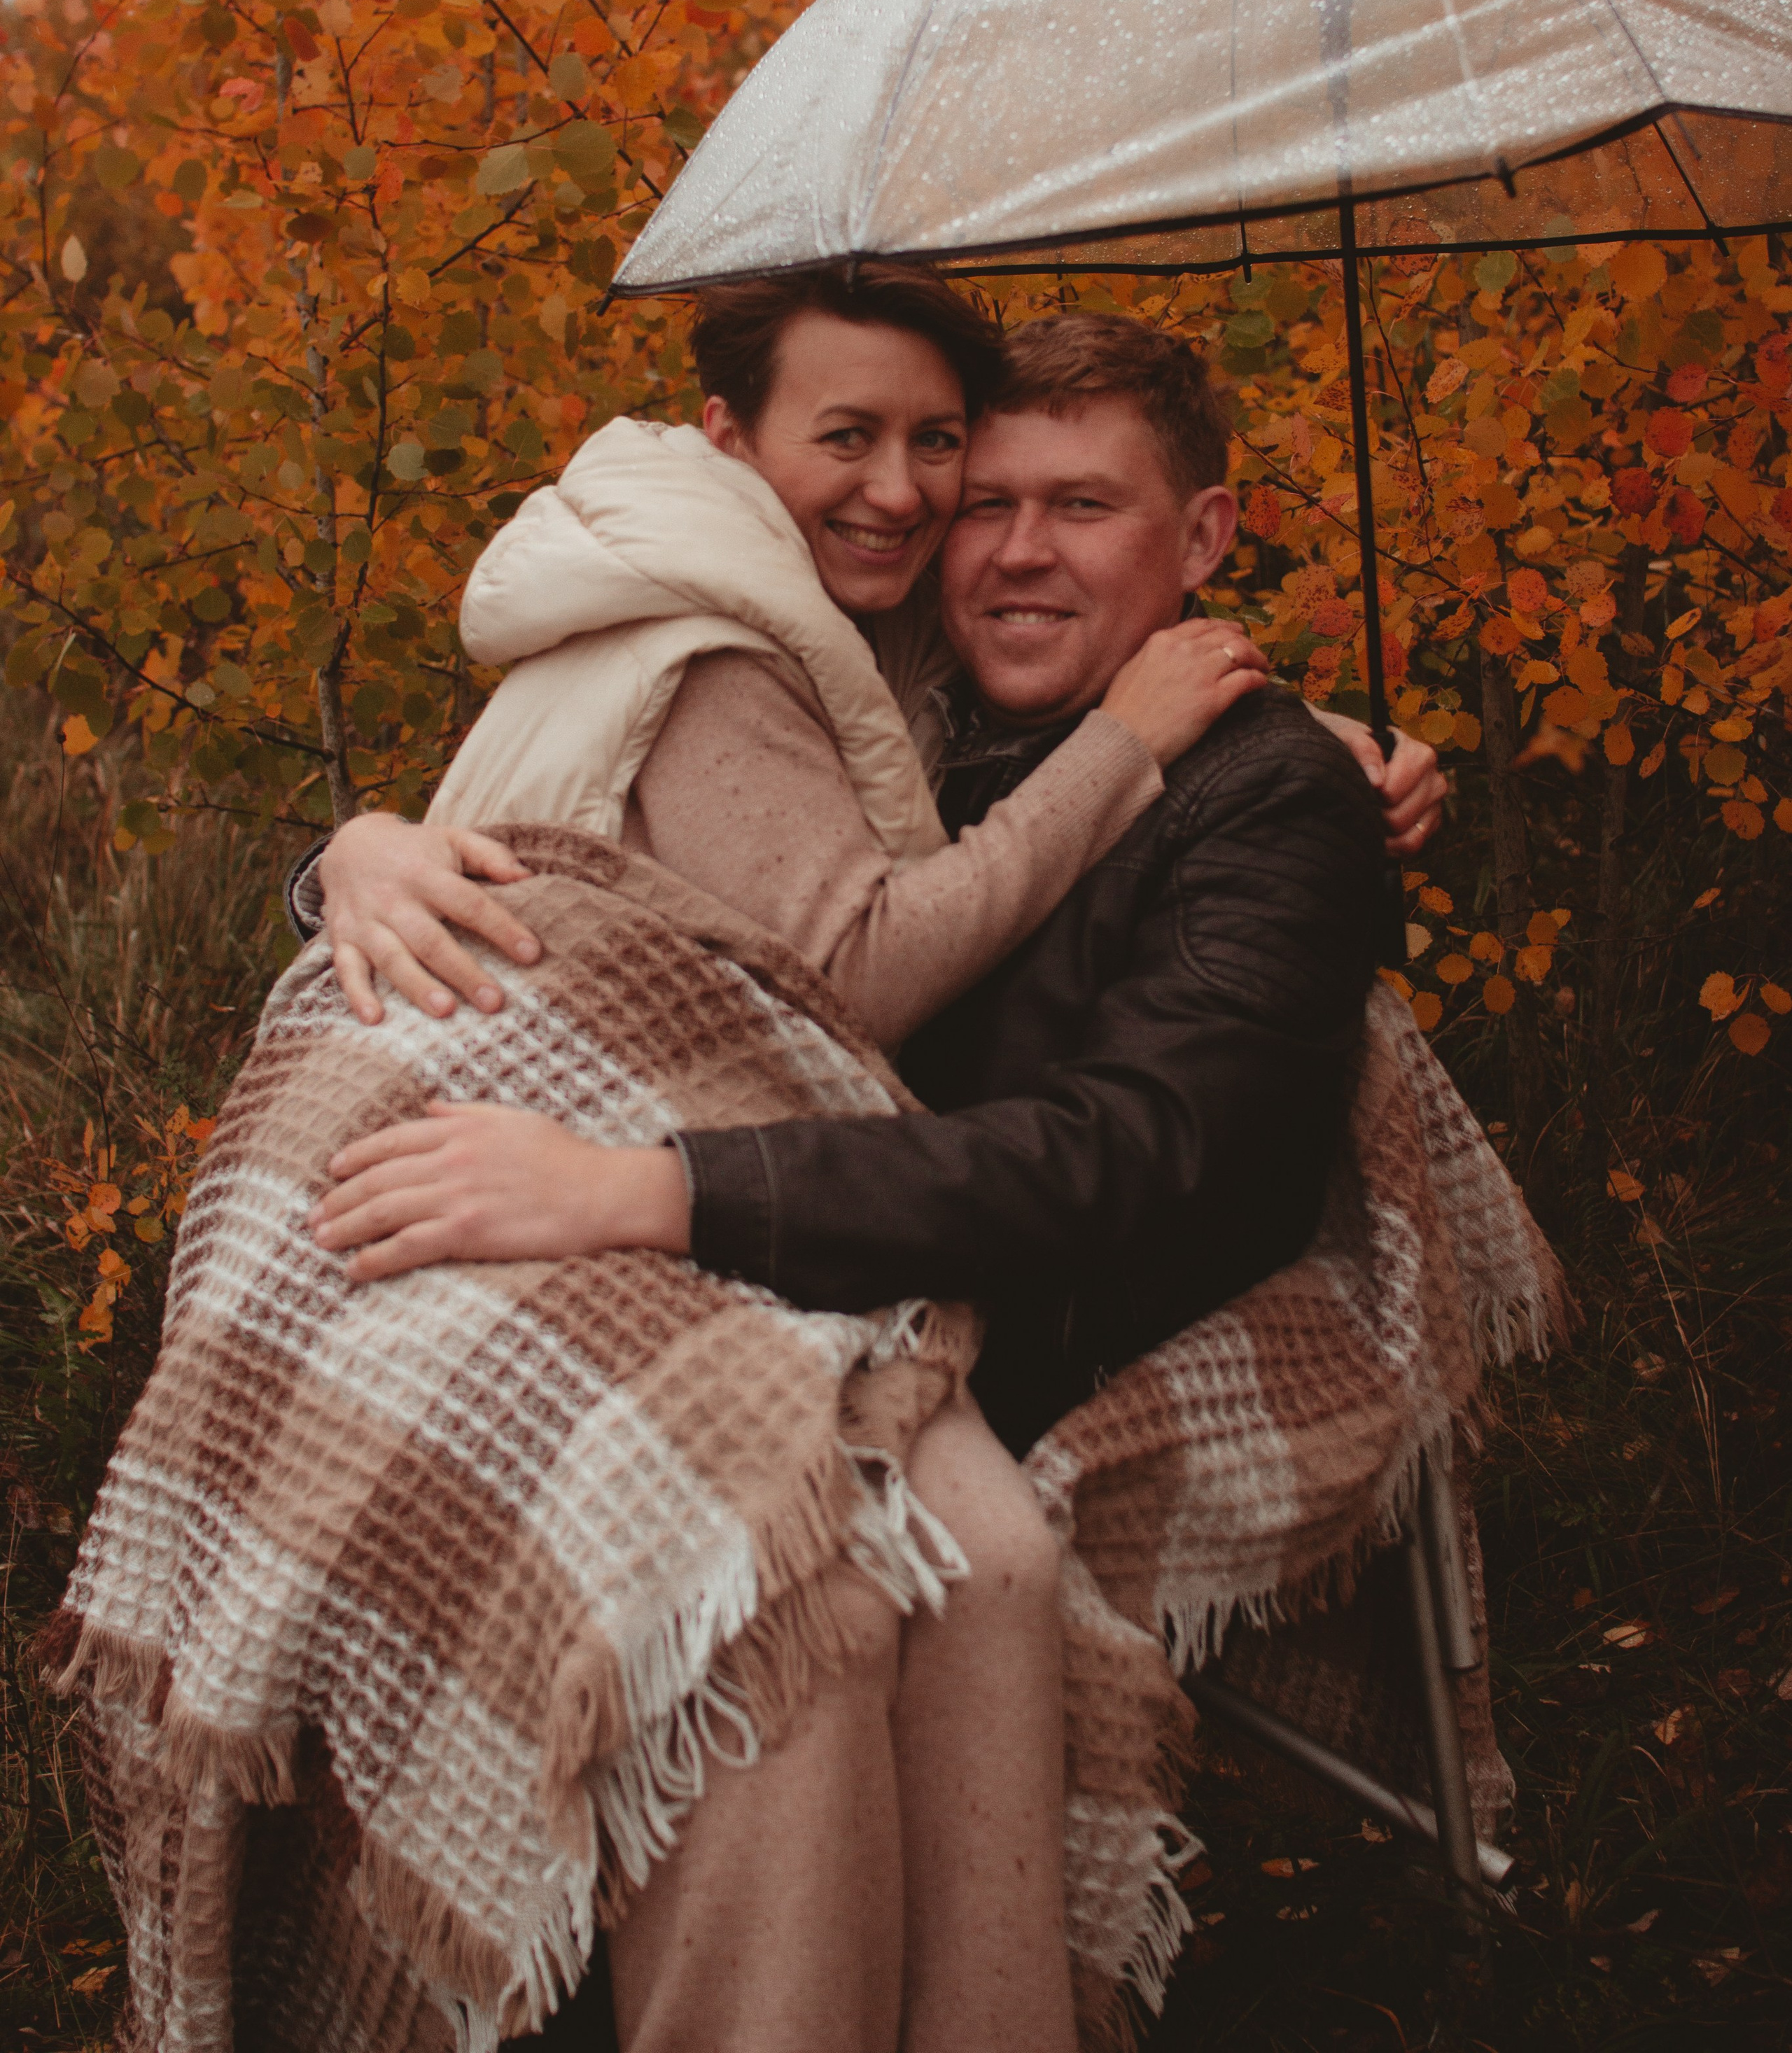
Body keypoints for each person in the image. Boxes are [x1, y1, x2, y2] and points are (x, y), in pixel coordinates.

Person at [302, 300, 1442, 2053]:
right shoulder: (912, 704)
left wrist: (655, 1190)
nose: (998, 548)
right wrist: (347, 855)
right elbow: (577, 822)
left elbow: (1126, 1156)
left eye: (1077, 508)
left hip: (1019, 1301)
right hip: (823, 1262)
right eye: (979, 500)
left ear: (1203, 539)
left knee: (811, 1586)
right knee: (727, 1561)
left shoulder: (1271, 801)